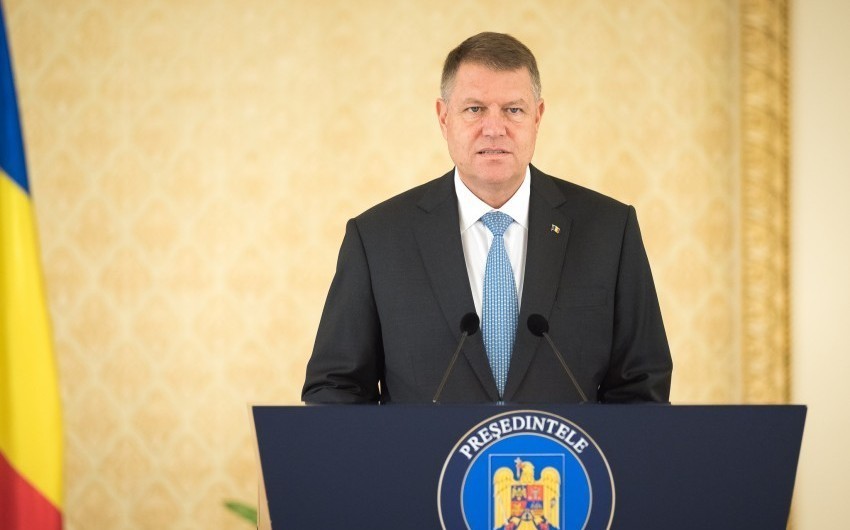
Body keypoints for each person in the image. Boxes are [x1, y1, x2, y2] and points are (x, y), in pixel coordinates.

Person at [302, 32, 672, 404]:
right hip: (426, 447)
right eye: (475, 109)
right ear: (444, 117)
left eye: (513, 110)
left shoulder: (610, 231)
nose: (494, 128)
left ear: (537, 117)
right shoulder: (377, 239)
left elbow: (641, 386)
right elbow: (336, 388)